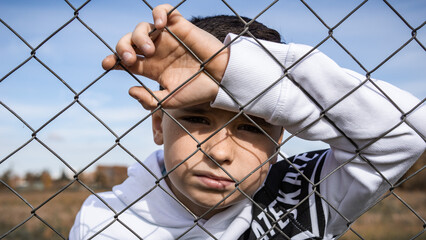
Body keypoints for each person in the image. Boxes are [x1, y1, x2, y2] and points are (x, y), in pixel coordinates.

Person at [69, 4, 425, 240]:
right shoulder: (105, 222)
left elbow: (407, 133)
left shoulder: (304, 191)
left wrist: (241, 73)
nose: (219, 152)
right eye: (197, 119)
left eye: (252, 125)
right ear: (159, 124)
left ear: (281, 131)